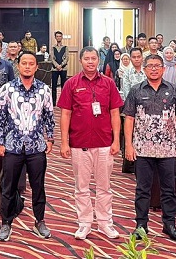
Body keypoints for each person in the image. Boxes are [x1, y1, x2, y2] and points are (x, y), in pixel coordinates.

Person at [57, 46, 124, 241]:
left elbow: (115, 113)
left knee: (104, 187)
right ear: (80, 61)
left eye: (93, 58)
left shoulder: (108, 83)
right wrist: (64, 142)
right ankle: (84, 223)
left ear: (98, 60)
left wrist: (116, 140)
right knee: (82, 187)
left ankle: (105, 223)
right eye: (86, 59)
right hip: (79, 143)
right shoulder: (71, 83)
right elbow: (65, 114)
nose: (90, 62)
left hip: (104, 143)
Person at [123, 54, 176, 241]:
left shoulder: (174, 90)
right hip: (142, 149)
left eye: (157, 66)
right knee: (142, 190)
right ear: (144, 69)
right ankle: (141, 225)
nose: (153, 69)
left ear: (163, 69)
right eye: (150, 66)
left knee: (169, 189)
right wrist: (128, 145)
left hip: (168, 149)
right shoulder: (136, 90)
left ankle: (169, 224)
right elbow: (129, 119)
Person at [0, 51, 55, 242]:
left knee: (38, 186)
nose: (27, 66)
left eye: (31, 64)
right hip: (12, 146)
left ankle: (40, 221)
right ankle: (6, 223)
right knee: (8, 187)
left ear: (37, 67)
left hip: (36, 146)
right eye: (24, 63)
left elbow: (49, 116)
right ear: (18, 66)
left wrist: (50, 138)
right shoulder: (7, 89)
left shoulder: (44, 90)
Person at [51, 31, 69, 104]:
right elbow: (52, 58)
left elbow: (67, 58)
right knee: (54, 86)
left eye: (60, 36)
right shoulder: (53, 48)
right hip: (54, 69)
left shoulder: (65, 47)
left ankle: (63, 102)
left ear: (62, 37)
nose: (58, 37)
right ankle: (53, 102)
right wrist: (57, 66)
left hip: (63, 68)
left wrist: (61, 65)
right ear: (55, 37)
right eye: (57, 36)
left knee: (63, 86)